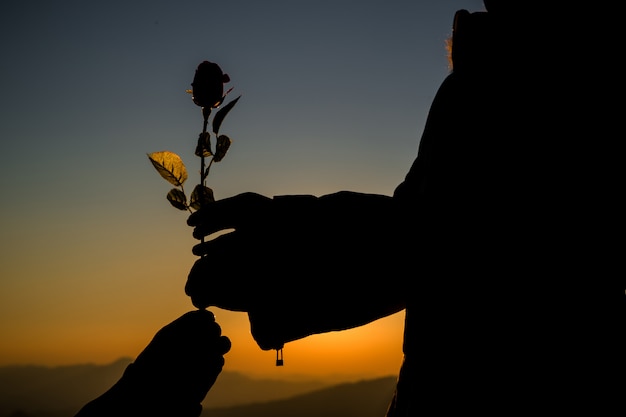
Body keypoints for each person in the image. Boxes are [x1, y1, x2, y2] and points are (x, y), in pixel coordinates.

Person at [77, 2, 611, 416]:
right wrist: (277, 228)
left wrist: (275, 258)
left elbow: (438, 249)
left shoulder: (512, 84)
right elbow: (430, 232)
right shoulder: (493, 75)